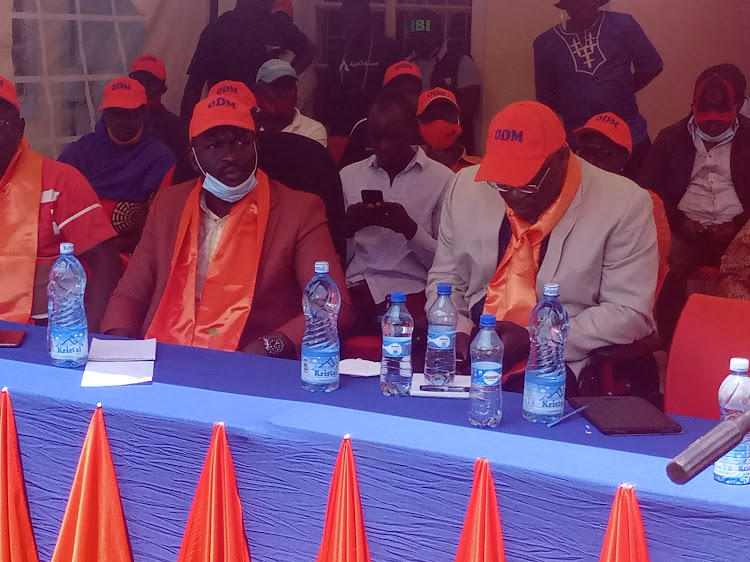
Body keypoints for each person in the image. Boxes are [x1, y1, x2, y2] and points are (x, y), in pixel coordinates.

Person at [101, 93, 352, 357]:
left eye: (240, 142)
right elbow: (131, 294)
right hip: (167, 354)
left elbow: (334, 306)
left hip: (250, 360)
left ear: (257, 147)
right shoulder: (168, 205)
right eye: (214, 145)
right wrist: (120, 351)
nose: (230, 156)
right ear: (193, 157)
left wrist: (272, 345)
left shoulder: (299, 210)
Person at [427, 101, 657, 383]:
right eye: (502, 183)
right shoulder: (464, 186)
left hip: (560, 359)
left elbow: (629, 312)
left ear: (561, 157)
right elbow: (446, 277)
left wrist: (539, 339)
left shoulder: (624, 203)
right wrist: (455, 329)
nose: (514, 196)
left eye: (528, 184)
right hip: (476, 341)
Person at [0, 75, 121, 331]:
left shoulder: (60, 180)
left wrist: (85, 337)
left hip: (48, 328)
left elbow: (106, 263)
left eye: (0, 122)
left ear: (20, 128)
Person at [640, 69, 750, 344]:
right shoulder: (670, 138)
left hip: (738, 230)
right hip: (683, 226)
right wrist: (678, 222)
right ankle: (673, 341)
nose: (711, 127)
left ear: (736, 108)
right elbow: (648, 190)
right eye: (705, 120)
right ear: (693, 108)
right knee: (661, 263)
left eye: (720, 121)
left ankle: (735, 341)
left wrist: (738, 225)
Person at [342, 90, 454, 331]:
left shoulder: (443, 179)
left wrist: (410, 229)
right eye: (375, 138)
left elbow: (447, 264)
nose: (383, 147)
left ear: (414, 130)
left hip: (412, 291)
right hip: (357, 290)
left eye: (393, 137)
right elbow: (334, 261)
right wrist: (348, 229)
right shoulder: (347, 176)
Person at [534, 0, 663, 180]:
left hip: (631, 136)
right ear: (566, 5)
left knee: (640, 197)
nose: (582, 4)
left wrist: (622, 90)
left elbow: (651, 66)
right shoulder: (545, 43)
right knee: (583, 201)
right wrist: (575, 104)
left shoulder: (623, 25)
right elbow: (546, 95)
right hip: (580, 143)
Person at [59, 78, 176, 256]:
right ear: (105, 115)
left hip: (137, 254)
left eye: (131, 114)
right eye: (115, 114)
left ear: (144, 114)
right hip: (81, 252)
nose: (123, 122)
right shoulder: (80, 152)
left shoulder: (159, 159)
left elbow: (159, 226)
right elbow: (57, 207)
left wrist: (112, 253)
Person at [573, 112, 670, 295]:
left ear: (623, 160)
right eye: (585, 152)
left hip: (619, 297)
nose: (590, 161)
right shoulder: (566, 194)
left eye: (603, 154)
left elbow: (647, 268)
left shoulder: (644, 202)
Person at [181, 0, 316, 120]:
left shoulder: (277, 24)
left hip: (265, 115)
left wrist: (283, 74)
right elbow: (194, 85)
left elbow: (308, 50)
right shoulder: (216, 30)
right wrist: (186, 130)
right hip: (226, 113)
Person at [323, 0, 401, 137]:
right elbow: (328, 88)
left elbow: (396, 91)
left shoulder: (388, 48)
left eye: (356, 21)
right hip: (342, 121)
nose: (350, 27)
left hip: (378, 120)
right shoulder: (336, 49)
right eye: (346, 22)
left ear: (368, 20)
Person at [406, 11, 481, 153]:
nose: (419, 44)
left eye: (425, 39)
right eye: (415, 39)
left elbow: (470, 107)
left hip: (453, 144)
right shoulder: (408, 63)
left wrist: (440, 129)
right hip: (417, 141)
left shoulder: (460, 61)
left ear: (438, 36)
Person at [338, 60, 424, 169]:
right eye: (399, 90)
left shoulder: (427, 128)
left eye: (412, 91)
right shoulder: (364, 127)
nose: (406, 96)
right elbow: (345, 173)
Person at [129, 54, 192, 183]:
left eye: (150, 82)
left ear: (163, 89)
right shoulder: (117, 123)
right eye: (138, 81)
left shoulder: (177, 129)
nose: (143, 87)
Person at [254, 59, 328, 147]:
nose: (284, 93)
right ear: (258, 92)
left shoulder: (312, 130)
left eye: (288, 87)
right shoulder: (244, 126)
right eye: (276, 86)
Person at [418, 87, 481, 173]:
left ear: (458, 120)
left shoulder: (479, 168)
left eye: (446, 114)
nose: (440, 123)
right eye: (432, 116)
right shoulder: (408, 166)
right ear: (419, 122)